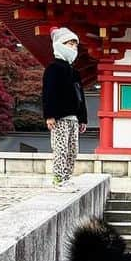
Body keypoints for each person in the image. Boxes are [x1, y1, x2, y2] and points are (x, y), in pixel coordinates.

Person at [42, 27, 87, 188]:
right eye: (70, 44)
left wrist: (83, 118)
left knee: (72, 150)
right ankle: (58, 179)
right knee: (60, 149)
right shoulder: (53, 69)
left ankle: (66, 177)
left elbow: (80, 97)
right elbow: (48, 92)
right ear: (60, 44)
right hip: (59, 117)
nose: (74, 48)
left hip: (74, 118)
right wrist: (49, 115)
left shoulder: (75, 73)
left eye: (75, 45)